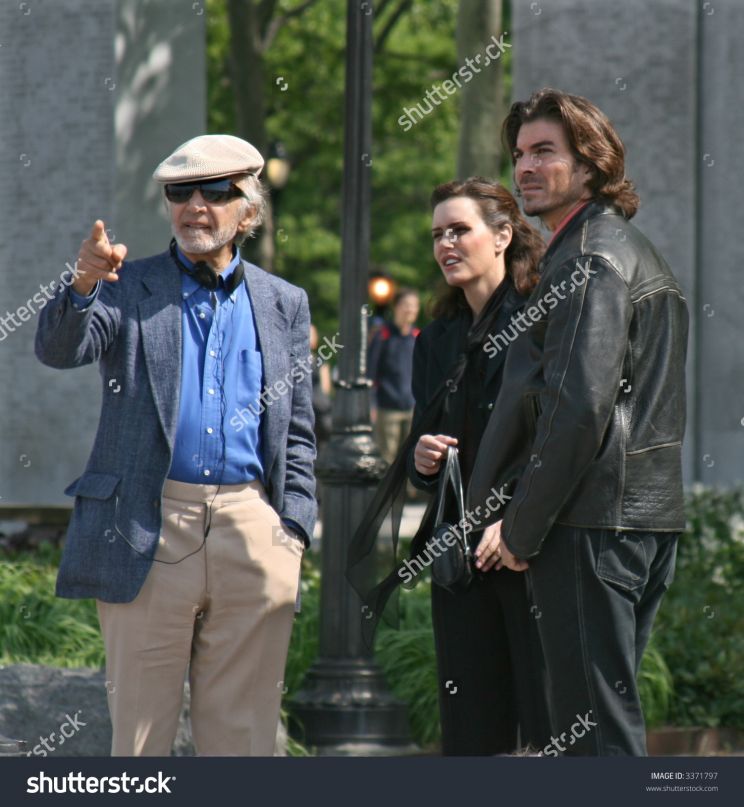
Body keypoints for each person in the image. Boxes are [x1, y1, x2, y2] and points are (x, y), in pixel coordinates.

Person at [35, 134, 316, 756]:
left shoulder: (284, 302)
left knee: (244, 742)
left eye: (216, 192)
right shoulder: (124, 285)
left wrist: (292, 528)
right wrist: (83, 283)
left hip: (253, 528)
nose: (195, 206)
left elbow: (297, 429)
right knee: (139, 740)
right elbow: (59, 350)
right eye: (180, 192)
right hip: (147, 519)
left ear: (249, 208)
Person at [469, 89, 689, 756]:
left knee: (592, 739)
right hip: (635, 521)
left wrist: (522, 525)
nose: (525, 168)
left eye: (545, 152)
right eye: (519, 155)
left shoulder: (589, 257)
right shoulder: (621, 249)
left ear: (591, 164)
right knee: (602, 728)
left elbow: (580, 407)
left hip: (591, 523)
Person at [348, 178, 550, 756]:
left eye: (460, 230)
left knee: (547, 723)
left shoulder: (543, 319)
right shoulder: (436, 339)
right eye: (438, 234)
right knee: (470, 726)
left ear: (503, 235)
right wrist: (422, 459)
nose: (446, 244)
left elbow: (562, 437)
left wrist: (517, 524)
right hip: (460, 556)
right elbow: (423, 457)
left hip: (531, 548)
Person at [367, 289, 420, 466]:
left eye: (414, 306)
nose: (410, 310)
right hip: (387, 408)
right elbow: (371, 372)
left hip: (412, 407)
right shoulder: (383, 335)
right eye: (406, 305)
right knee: (387, 459)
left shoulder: (417, 337)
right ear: (395, 307)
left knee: (412, 458)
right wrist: (371, 405)